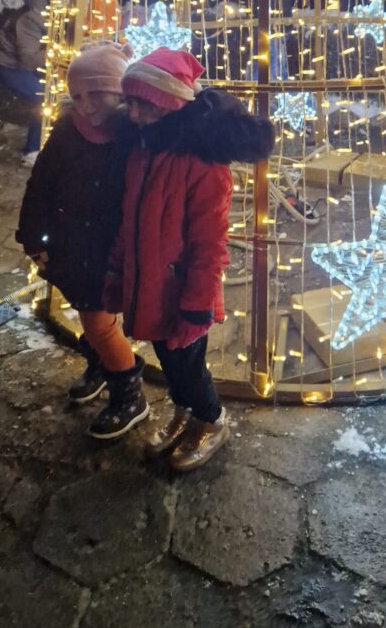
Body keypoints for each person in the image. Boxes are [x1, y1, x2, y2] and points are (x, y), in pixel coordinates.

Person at [103, 47, 274, 471]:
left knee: (189, 366)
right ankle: (185, 411)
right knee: (168, 359)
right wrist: (117, 268)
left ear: (169, 104)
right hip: (148, 285)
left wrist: (197, 304)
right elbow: (129, 217)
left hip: (182, 292)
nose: (133, 114)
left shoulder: (203, 166)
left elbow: (209, 244)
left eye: (144, 104)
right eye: (130, 103)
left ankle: (210, 419)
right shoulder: (144, 151)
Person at [16, 42, 147, 438]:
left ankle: (129, 395)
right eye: (77, 95)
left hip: (110, 251)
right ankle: (102, 366)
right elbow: (41, 184)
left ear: (119, 92)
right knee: (87, 313)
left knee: (99, 322)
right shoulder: (67, 130)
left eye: (96, 93)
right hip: (70, 245)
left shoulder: (135, 134)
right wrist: (33, 237)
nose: (85, 105)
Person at [0, 0, 47, 164]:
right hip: (5, 64)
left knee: (48, 92)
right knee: (42, 97)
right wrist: (55, 51)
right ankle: (32, 151)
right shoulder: (29, 19)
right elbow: (29, 59)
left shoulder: (43, 12)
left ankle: (45, 137)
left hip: (17, 62)